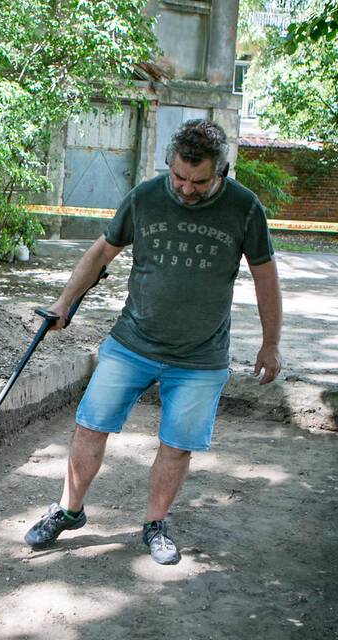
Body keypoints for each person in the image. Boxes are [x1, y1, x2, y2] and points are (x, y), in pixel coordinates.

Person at [24, 119, 283, 564]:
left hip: (201, 356)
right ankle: (68, 510)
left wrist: (270, 342)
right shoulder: (145, 196)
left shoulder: (244, 208)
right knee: (91, 424)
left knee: (177, 443)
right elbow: (101, 253)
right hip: (132, 342)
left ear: (220, 170)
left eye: (198, 181)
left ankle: (154, 523)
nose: (184, 188)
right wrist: (64, 302)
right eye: (178, 176)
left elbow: (265, 276)